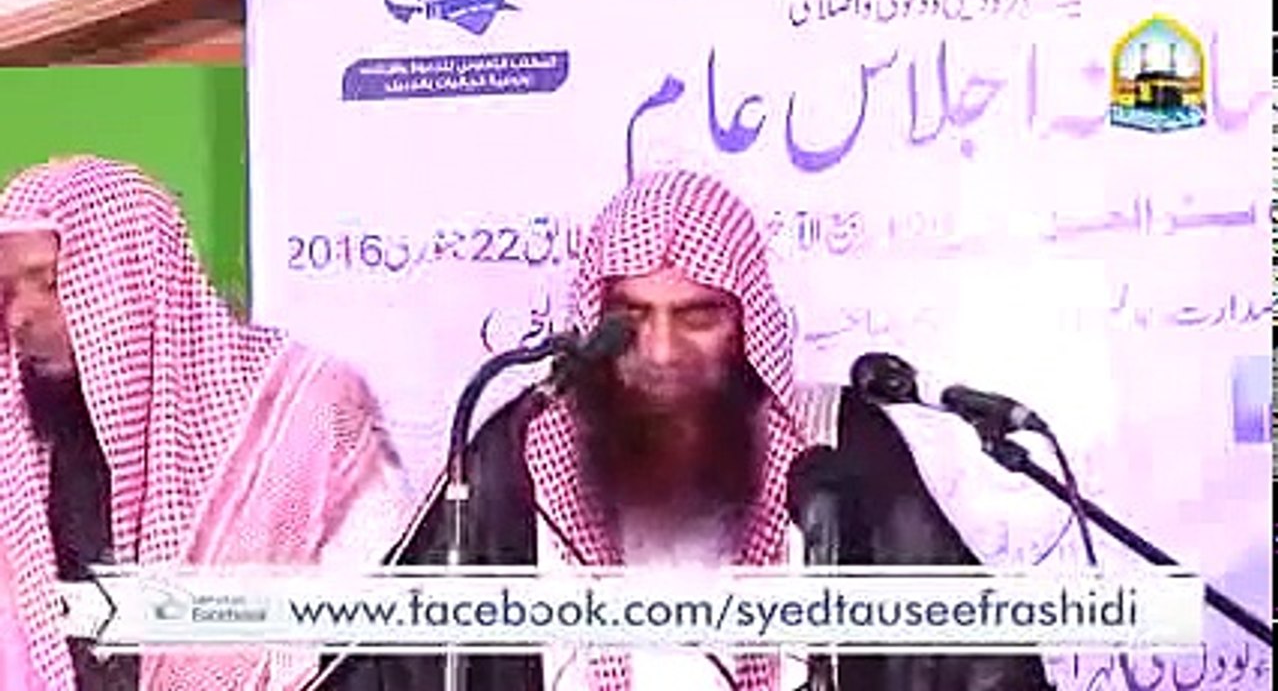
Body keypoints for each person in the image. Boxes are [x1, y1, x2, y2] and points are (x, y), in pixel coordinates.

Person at [321, 168, 1064, 691]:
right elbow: (382, 666)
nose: (662, 352)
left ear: (746, 326)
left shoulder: (833, 447)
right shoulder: (515, 455)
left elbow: (985, 667)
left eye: (698, 317)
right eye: (632, 317)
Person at [0, 156, 411, 690]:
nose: (19, 317)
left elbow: (381, 629)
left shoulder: (305, 411)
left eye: (50, 284)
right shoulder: (20, 445)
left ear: (132, 281)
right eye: (6, 292)